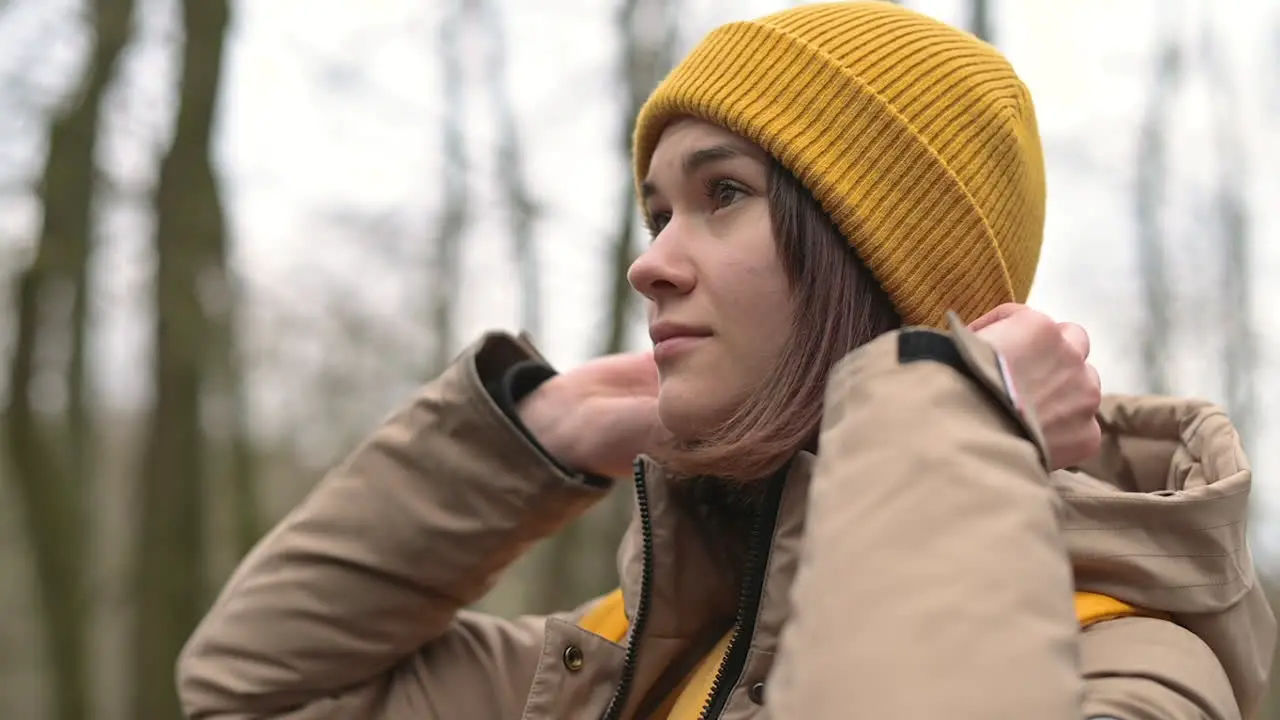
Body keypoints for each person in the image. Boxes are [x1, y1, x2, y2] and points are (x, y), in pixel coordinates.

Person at [176, 3, 1275, 719]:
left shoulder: (1127, 672)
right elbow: (254, 694)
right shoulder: (621, 661)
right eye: (655, 211)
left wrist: (938, 412)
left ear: (884, 258)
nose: (648, 264)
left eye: (724, 194)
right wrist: (504, 450)